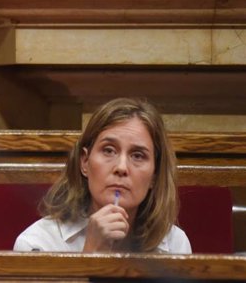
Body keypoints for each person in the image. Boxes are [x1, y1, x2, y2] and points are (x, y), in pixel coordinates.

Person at [14, 97, 192, 254]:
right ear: (85, 162)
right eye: (108, 150)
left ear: (154, 175)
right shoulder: (39, 243)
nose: (121, 167)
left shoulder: (175, 244)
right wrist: (92, 253)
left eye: (138, 155)